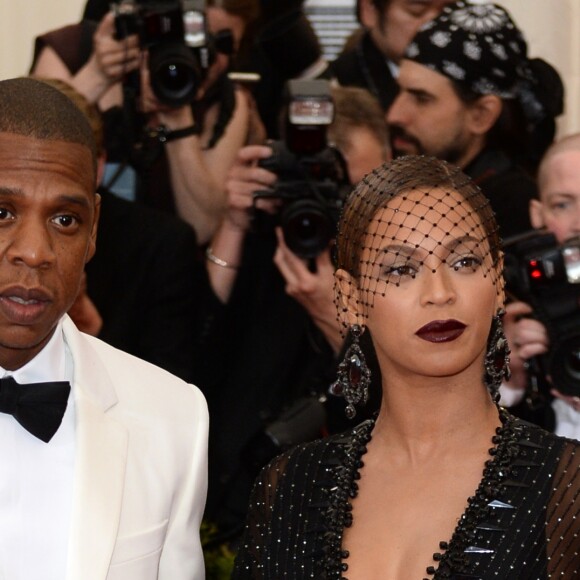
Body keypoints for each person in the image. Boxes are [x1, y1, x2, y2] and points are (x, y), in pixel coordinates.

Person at [233, 155, 580, 578]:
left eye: (464, 262)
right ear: (351, 298)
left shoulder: (566, 485)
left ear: (498, 283)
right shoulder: (291, 484)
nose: (439, 293)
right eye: (401, 269)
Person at [0, 77, 208, 579]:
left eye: (65, 220)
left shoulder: (173, 418)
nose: (34, 251)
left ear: (94, 231)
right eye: (1, 212)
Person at [195, 83, 389, 543]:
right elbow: (190, 359)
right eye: (330, 187)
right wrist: (234, 223)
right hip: (231, 516)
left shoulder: (410, 271)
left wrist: (336, 318)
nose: (346, 212)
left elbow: (407, 414)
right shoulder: (267, 241)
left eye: (364, 190)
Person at [30, 0, 261, 244]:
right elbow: (27, 157)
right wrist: (97, 75)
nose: (208, 56)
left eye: (223, 44)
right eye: (196, 38)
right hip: (57, 244)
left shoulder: (225, 102)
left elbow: (202, 229)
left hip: (163, 267)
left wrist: (178, 118)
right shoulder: (76, 49)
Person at [40, 77, 205, 383]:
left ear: (98, 166)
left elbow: (170, 396)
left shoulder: (159, 244)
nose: (34, 251)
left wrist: (91, 331)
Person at [386, 1, 563, 240]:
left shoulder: (508, 212)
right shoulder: (428, 190)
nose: (395, 115)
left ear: (481, 115)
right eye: (399, 91)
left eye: (421, 99)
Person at [502, 133, 580, 440]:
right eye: (563, 205)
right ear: (538, 214)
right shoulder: (516, 298)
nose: (578, 222)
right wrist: (512, 375)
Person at [328, 0, 453, 111]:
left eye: (449, 11)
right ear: (370, 9)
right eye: (417, 10)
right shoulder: (334, 88)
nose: (435, 24)